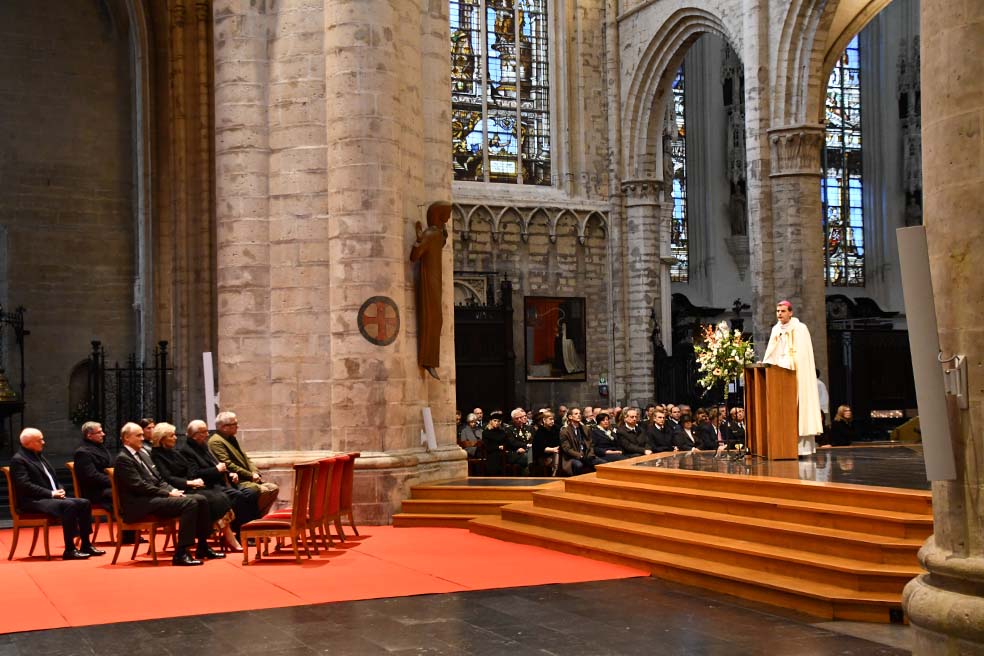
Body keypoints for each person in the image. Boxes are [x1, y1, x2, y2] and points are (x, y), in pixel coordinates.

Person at [114, 422, 222, 566]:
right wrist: (167, 494)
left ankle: (202, 546)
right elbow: (139, 486)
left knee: (201, 499)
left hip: (153, 498)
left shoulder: (143, 453)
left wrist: (172, 490)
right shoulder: (123, 459)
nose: (142, 438)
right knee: (189, 503)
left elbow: (158, 479)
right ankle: (181, 553)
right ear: (126, 438)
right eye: (138, 435)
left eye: (141, 435)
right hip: (139, 504)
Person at [11, 428, 105, 560]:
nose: (43, 442)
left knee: (84, 502)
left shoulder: (38, 455)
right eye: (39, 440)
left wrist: (59, 489)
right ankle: (70, 550)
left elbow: (52, 478)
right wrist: (51, 493)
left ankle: (86, 544)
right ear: (28, 443)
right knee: (69, 505)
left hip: (48, 497)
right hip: (32, 501)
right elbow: (24, 485)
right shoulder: (19, 460)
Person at [150, 422, 241, 551]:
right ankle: (221, 538)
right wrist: (189, 482)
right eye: (172, 435)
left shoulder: (173, 452)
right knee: (212, 498)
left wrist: (194, 479)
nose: (176, 438)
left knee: (220, 495)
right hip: (178, 489)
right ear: (162, 438)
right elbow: (166, 478)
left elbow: (190, 469)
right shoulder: (156, 455)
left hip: (191, 484)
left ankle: (211, 540)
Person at [181, 419, 260, 544]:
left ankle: (253, 531)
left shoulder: (203, 446)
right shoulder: (186, 451)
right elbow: (195, 474)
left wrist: (230, 474)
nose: (207, 434)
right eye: (204, 432)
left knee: (251, 493)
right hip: (208, 487)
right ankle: (241, 533)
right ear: (196, 435)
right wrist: (216, 470)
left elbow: (218, 464)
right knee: (239, 496)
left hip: (221, 483)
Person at [762, 300, 823, 456]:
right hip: (781, 376)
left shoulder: (800, 329)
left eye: (783, 311)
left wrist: (788, 363)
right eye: (777, 311)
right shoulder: (776, 329)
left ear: (791, 312)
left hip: (797, 375)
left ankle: (803, 449)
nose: (779, 314)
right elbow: (772, 351)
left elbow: (803, 354)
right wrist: (768, 363)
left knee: (800, 410)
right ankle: (783, 446)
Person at [409, 201, 451, 379]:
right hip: (428, 280)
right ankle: (428, 359)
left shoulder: (436, 234)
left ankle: (430, 359)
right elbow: (415, 255)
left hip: (435, 279)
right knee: (432, 318)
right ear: (438, 214)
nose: (448, 218)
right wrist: (420, 238)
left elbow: (439, 241)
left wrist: (420, 236)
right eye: (446, 214)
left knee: (437, 320)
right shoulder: (432, 234)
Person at [208, 411, 279, 516]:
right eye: (235, 424)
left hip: (246, 478)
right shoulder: (216, 441)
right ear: (224, 427)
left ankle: (258, 517)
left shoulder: (231, 438)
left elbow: (246, 458)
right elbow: (228, 464)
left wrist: (255, 472)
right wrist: (250, 476)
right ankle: (251, 519)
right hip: (236, 480)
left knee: (273, 488)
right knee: (258, 490)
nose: (238, 426)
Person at [73, 421, 114, 512]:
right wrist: (113, 481)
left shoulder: (100, 447)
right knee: (123, 492)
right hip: (95, 491)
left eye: (102, 431)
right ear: (89, 435)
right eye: (99, 432)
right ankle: (125, 521)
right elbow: (91, 476)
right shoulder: (82, 452)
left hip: (106, 486)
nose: (103, 434)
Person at [558, 408, 598, 476]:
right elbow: (567, 449)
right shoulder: (564, 432)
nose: (579, 415)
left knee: (602, 463)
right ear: (570, 417)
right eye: (576, 414)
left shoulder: (586, 428)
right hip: (572, 458)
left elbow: (591, 444)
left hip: (587, 455)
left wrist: (590, 454)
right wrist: (580, 456)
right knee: (579, 465)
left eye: (579, 413)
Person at [531, 410, 560, 474]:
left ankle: (555, 472)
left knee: (559, 455)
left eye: (553, 419)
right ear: (544, 420)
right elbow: (539, 449)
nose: (552, 421)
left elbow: (559, 443)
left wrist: (556, 449)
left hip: (555, 454)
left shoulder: (556, 429)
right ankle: (554, 474)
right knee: (556, 455)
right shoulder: (539, 432)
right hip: (543, 456)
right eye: (550, 419)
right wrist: (553, 449)